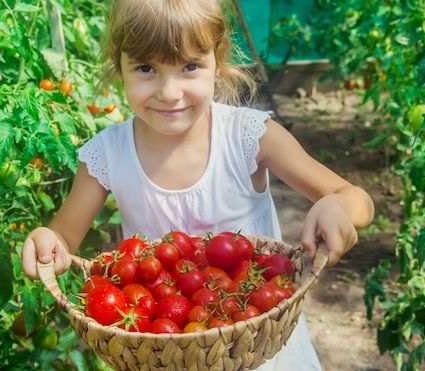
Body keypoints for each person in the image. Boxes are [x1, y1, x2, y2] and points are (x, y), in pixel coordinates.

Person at [22, 0, 375, 369]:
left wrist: (337, 205)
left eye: (190, 67)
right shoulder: (107, 154)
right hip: (166, 353)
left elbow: (355, 198)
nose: (169, 92)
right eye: (146, 68)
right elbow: (63, 239)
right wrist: (49, 241)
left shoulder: (248, 137)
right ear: (119, 66)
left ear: (217, 60)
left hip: (262, 351)